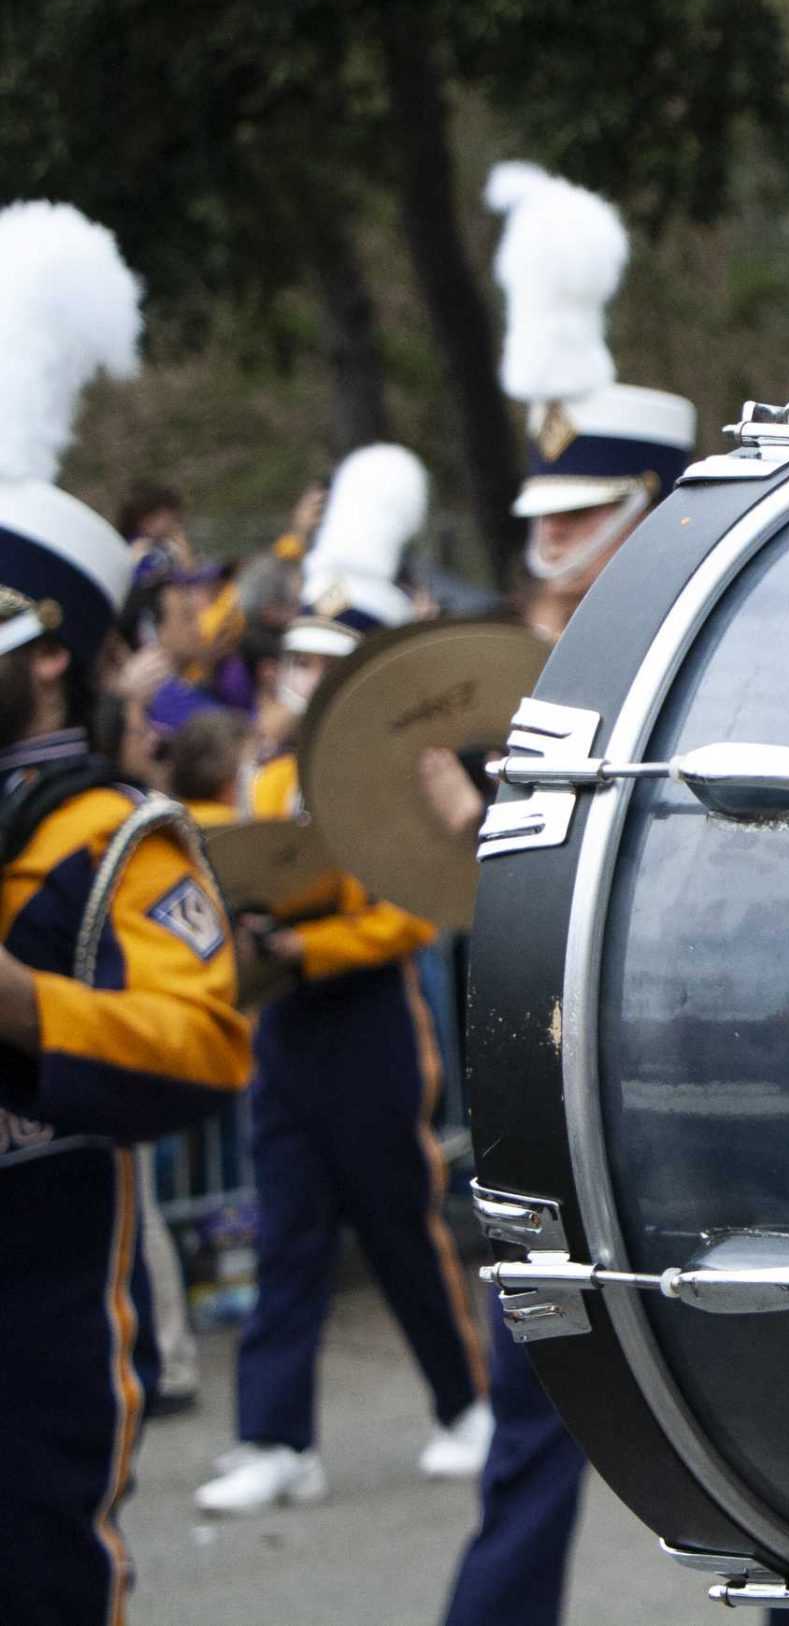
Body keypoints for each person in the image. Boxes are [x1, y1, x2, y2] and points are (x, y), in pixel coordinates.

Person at [439, 159, 699, 1626]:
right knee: (538, 1403)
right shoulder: (508, 685)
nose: (548, 549)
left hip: (698, 1089)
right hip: (551, 1101)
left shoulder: (728, 656)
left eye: (579, 516)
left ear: (645, 504)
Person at [0, 199, 253, 1625]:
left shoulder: (113, 839)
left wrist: (19, 1001)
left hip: (31, 1311)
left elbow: (204, 1044)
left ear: (49, 659)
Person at [193, 442, 493, 1515]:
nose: (297, 678)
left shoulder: (387, 781)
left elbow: (403, 919)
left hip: (368, 1021)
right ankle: (276, 1436)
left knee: (401, 1221)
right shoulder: (266, 770)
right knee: (286, 1230)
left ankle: (465, 1402)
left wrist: (309, 943)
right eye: (295, 662)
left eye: (320, 665)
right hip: (285, 1029)